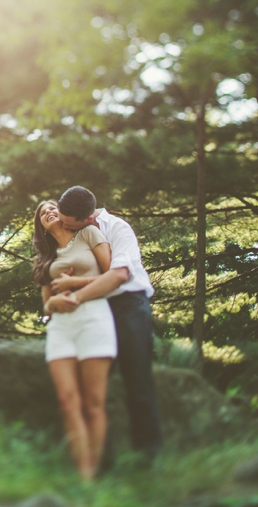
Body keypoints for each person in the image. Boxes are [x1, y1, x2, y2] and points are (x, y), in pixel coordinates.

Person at [47, 186, 163, 465]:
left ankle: (149, 457)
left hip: (128, 306)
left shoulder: (119, 229)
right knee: (92, 389)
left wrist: (75, 294)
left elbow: (119, 274)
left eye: (68, 222)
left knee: (137, 378)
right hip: (95, 310)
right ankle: (101, 461)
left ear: (87, 219)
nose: (63, 224)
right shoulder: (70, 231)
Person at [33, 199, 117, 481]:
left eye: (53, 207)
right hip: (61, 326)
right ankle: (84, 477)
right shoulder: (46, 257)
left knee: (94, 402)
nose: (49, 212)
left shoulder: (89, 234)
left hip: (94, 317)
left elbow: (111, 273)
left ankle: (93, 471)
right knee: (68, 401)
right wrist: (55, 299)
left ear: (65, 213)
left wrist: (73, 284)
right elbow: (46, 306)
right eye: (43, 213)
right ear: (41, 226)